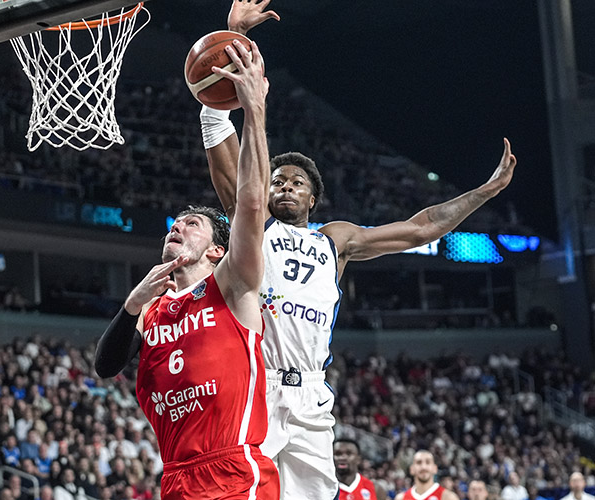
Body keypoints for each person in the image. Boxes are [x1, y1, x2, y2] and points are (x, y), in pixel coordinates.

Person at [200, 2, 518, 498]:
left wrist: (482, 193)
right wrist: (234, 39)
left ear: (313, 198)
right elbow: (220, 137)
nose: (284, 187)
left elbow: (420, 229)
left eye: (296, 182)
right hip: (257, 383)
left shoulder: (336, 239)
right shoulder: (253, 222)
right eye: (277, 180)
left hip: (311, 391)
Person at [95, 39, 279, 499]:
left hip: (233, 470)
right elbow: (105, 366)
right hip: (176, 477)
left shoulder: (232, 283)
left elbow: (251, 203)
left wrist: (254, 112)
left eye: (192, 224)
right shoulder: (152, 311)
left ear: (217, 250)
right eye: (175, 223)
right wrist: (133, 304)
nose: (177, 225)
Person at [394, 450, 458, 500]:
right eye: (419, 462)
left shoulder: (448, 497)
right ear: (412, 469)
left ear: (435, 468)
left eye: (428, 462)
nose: (423, 467)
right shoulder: (401, 498)